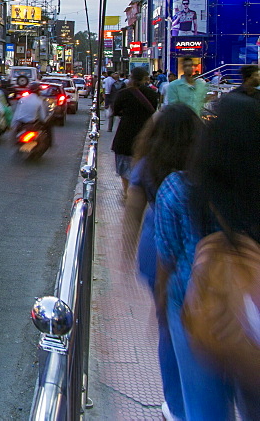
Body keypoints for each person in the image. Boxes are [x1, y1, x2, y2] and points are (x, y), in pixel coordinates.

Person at [155, 94, 260, 419]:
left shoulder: (177, 190)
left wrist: (161, 311)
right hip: (253, 315)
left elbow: (166, 262)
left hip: (194, 307)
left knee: (205, 411)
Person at [122, 104, 202, 421]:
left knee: (167, 327)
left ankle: (176, 405)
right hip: (196, 252)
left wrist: (126, 250)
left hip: (155, 248)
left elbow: (132, 211)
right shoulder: (203, 165)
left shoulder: (148, 163)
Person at [111, 67, 159, 194]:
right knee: (142, 165)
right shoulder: (152, 94)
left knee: (124, 167)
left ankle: (127, 192)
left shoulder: (124, 93)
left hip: (125, 135)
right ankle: (138, 191)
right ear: (145, 78)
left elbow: (115, 110)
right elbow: (154, 109)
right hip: (145, 134)